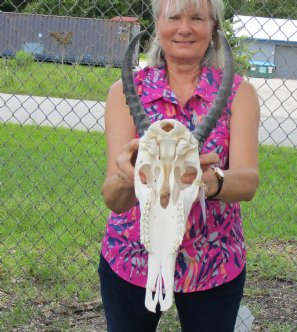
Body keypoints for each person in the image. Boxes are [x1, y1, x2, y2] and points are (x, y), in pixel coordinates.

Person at [99, 0, 260, 331]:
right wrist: (129, 179)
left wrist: (210, 181)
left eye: (197, 18)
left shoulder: (239, 93)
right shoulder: (125, 92)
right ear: (158, 23)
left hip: (213, 260)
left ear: (213, 27)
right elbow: (114, 200)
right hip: (133, 258)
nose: (185, 27)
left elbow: (247, 181)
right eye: (174, 17)